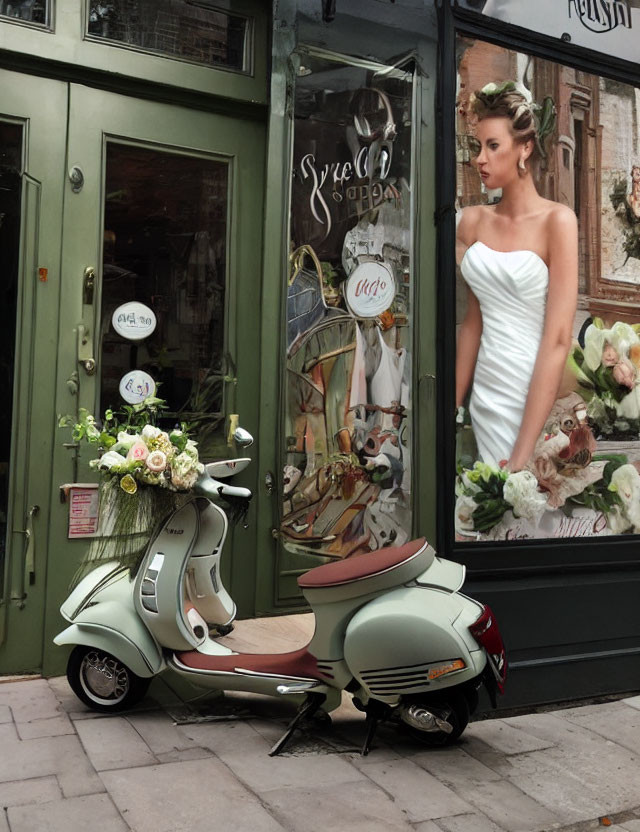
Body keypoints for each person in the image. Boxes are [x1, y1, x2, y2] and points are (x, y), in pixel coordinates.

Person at [456, 81, 578, 471]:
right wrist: (449, 408)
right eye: (478, 147)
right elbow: (473, 323)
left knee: (526, 504)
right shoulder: (472, 222)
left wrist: (522, 457)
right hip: (487, 394)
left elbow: (558, 339)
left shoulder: (557, 222)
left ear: (524, 148)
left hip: (535, 389)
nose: (480, 158)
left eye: (492, 146)